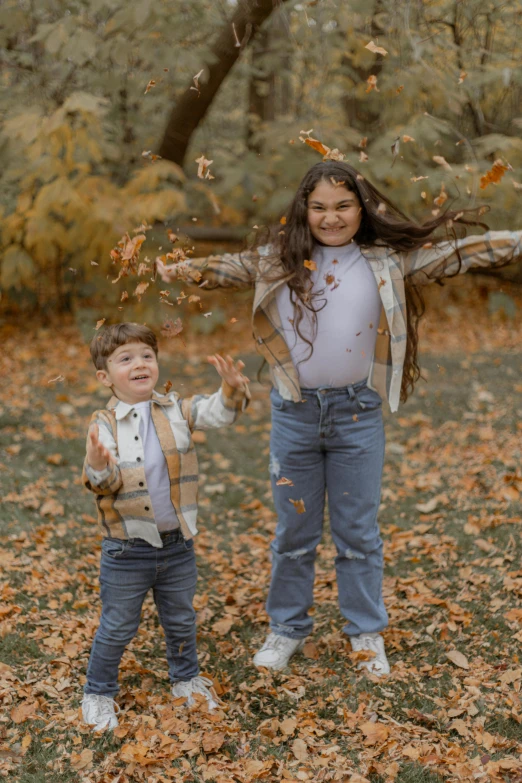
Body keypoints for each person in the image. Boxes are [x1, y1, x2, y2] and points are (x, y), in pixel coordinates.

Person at [158, 160, 521, 676]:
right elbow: (224, 269)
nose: (331, 217)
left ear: (361, 208)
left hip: (357, 413)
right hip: (294, 413)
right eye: (320, 207)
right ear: (304, 210)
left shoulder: (386, 262)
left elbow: (459, 254)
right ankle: (285, 628)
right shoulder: (277, 260)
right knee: (293, 532)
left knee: (358, 531)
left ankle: (366, 632)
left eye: (343, 206)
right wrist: (181, 270)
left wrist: (517, 241)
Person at [81, 322, 249, 731]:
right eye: (126, 359)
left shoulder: (176, 409)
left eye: (146, 356)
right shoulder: (104, 423)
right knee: (118, 624)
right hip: (127, 550)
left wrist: (230, 389)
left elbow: (216, 412)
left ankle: (186, 680)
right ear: (105, 376)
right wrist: (99, 464)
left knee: (180, 617)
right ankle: (98, 692)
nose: (140, 363)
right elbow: (102, 483)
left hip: (176, 546)